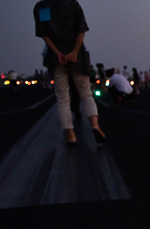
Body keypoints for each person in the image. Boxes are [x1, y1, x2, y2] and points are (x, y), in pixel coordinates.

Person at [33, 0, 105, 144]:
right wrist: (75, 51)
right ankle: (95, 124)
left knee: (62, 98)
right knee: (86, 94)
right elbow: (81, 29)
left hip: (56, 59)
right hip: (77, 58)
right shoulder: (72, 4)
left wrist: (58, 53)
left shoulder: (41, 7)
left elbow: (44, 34)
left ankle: (70, 133)